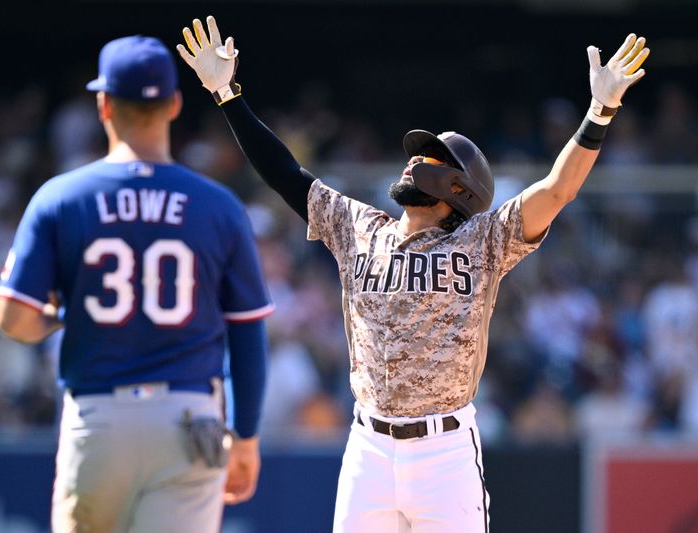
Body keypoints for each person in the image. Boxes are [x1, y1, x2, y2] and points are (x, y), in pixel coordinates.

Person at [178, 17, 649, 532]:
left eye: (430, 157)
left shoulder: (482, 241)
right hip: (368, 447)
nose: (412, 161)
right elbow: (284, 173)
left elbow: (557, 190)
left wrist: (600, 111)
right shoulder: (358, 226)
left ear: (459, 189)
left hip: (444, 453)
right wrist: (225, 93)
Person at [0, 35, 273, 533]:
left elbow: (12, 318)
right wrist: (246, 436)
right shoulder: (219, 205)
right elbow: (247, 331)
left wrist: (66, 314)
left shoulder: (62, 197)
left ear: (103, 105)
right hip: (190, 421)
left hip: (99, 416)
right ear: (173, 103)